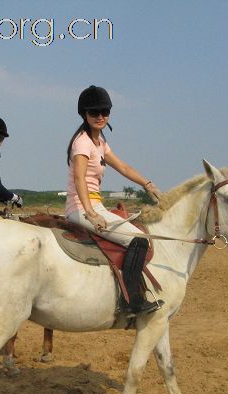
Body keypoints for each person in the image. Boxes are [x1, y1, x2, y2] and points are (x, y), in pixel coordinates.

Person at [65, 85, 163, 315]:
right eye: (94, 112)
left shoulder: (100, 142)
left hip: (93, 204)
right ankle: (132, 301)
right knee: (137, 240)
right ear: (84, 114)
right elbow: (79, 179)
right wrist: (90, 213)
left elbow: (123, 167)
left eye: (105, 112)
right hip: (80, 207)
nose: (100, 117)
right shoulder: (82, 142)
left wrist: (147, 184)